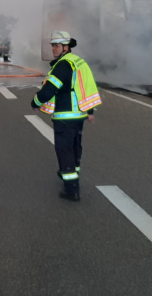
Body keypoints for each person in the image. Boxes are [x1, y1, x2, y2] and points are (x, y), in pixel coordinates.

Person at [31, 31, 102, 201]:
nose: (53, 49)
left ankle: (71, 189)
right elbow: (87, 87)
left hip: (65, 115)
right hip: (79, 115)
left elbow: (50, 89)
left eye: (56, 46)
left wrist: (36, 102)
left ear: (66, 47)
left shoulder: (63, 65)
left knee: (64, 150)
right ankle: (70, 173)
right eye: (53, 46)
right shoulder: (78, 61)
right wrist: (89, 110)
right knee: (75, 147)